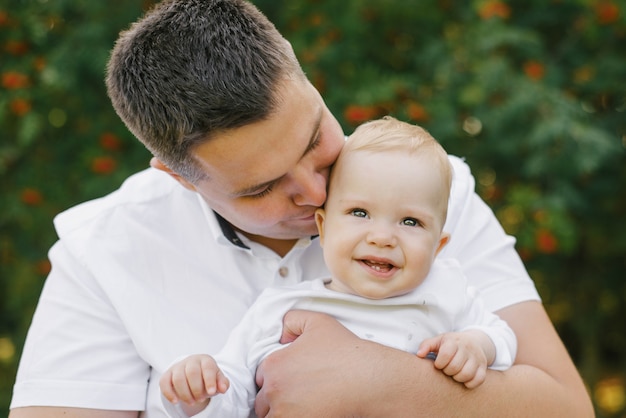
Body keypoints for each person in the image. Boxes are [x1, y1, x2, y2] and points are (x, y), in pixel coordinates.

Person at [9, 0, 593, 417]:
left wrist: (382, 383)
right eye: (261, 188)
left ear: (300, 69)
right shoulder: (103, 252)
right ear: (180, 179)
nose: (317, 194)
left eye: (315, 139)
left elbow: (565, 407)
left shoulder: (426, 194)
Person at [159, 116, 518, 418]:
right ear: (323, 227)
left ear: (439, 247)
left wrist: (476, 345)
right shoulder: (284, 308)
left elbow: (501, 336)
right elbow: (236, 389)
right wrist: (201, 392)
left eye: (410, 222)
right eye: (359, 213)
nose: (382, 237)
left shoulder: (447, 290)